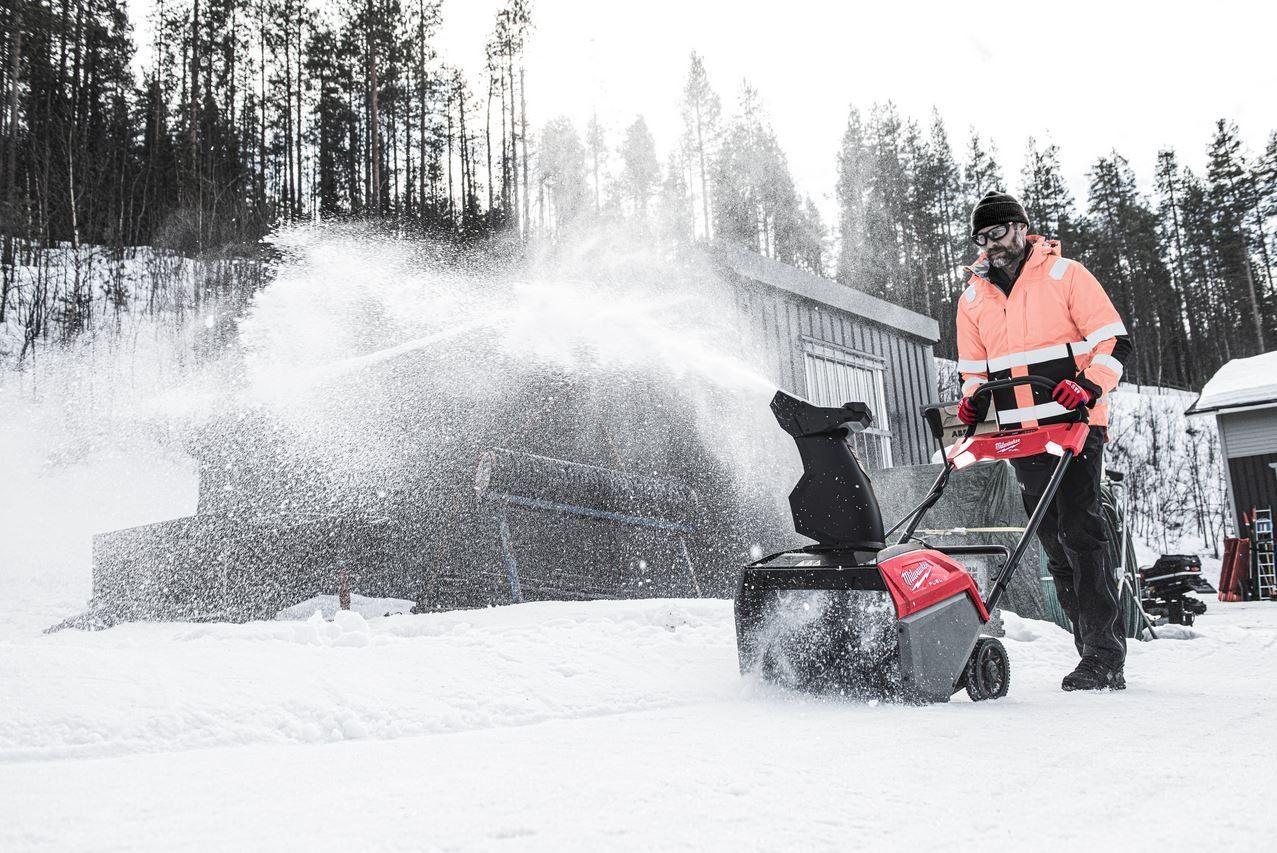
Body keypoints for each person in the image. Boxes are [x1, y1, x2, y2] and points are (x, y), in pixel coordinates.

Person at [955, 190, 1133, 691]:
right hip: (1021, 436)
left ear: (1020, 226)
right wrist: (971, 403)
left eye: (997, 232)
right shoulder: (972, 299)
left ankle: (1104, 656)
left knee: (1082, 534)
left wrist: (1089, 384)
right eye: (981, 238)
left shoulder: (1065, 275)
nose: (990, 244)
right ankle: (1090, 651)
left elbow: (1114, 341)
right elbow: (974, 373)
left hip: (1075, 426)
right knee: (1055, 546)